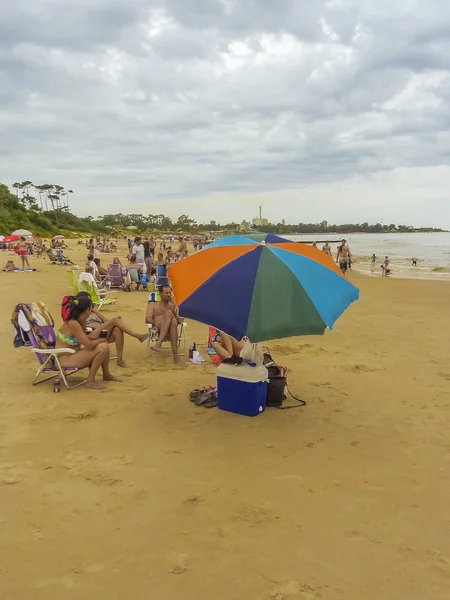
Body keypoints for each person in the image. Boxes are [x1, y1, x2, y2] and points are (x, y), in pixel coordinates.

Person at [56, 295, 122, 390]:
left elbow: (85, 338)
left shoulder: (80, 321)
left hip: (72, 355)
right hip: (64, 359)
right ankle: (90, 381)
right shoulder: (73, 323)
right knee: (103, 347)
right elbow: (89, 345)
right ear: (88, 309)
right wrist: (100, 340)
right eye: (91, 307)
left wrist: (98, 339)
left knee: (103, 345)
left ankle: (106, 374)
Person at [71, 292, 149, 367]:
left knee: (117, 329)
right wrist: (112, 322)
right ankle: (137, 336)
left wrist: (116, 322)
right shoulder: (80, 316)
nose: (90, 304)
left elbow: (107, 321)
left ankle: (119, 360)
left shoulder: (95, 312)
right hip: (91, 335)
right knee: (114, 320)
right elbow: (82, 332)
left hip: (102, 332)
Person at [145, 285, 184, 365]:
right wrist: (155, 322)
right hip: (158, 329)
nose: (169, 294)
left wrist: (175, 306)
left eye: (170, 292)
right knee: (170, 314)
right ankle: (176, 356)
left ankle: (159, 343)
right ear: (160, 294)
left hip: (171, 331)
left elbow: (180, 320)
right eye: (166, 293)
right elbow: (147, 319)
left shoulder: (172, 305)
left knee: (173, 321)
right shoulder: (153, 304)